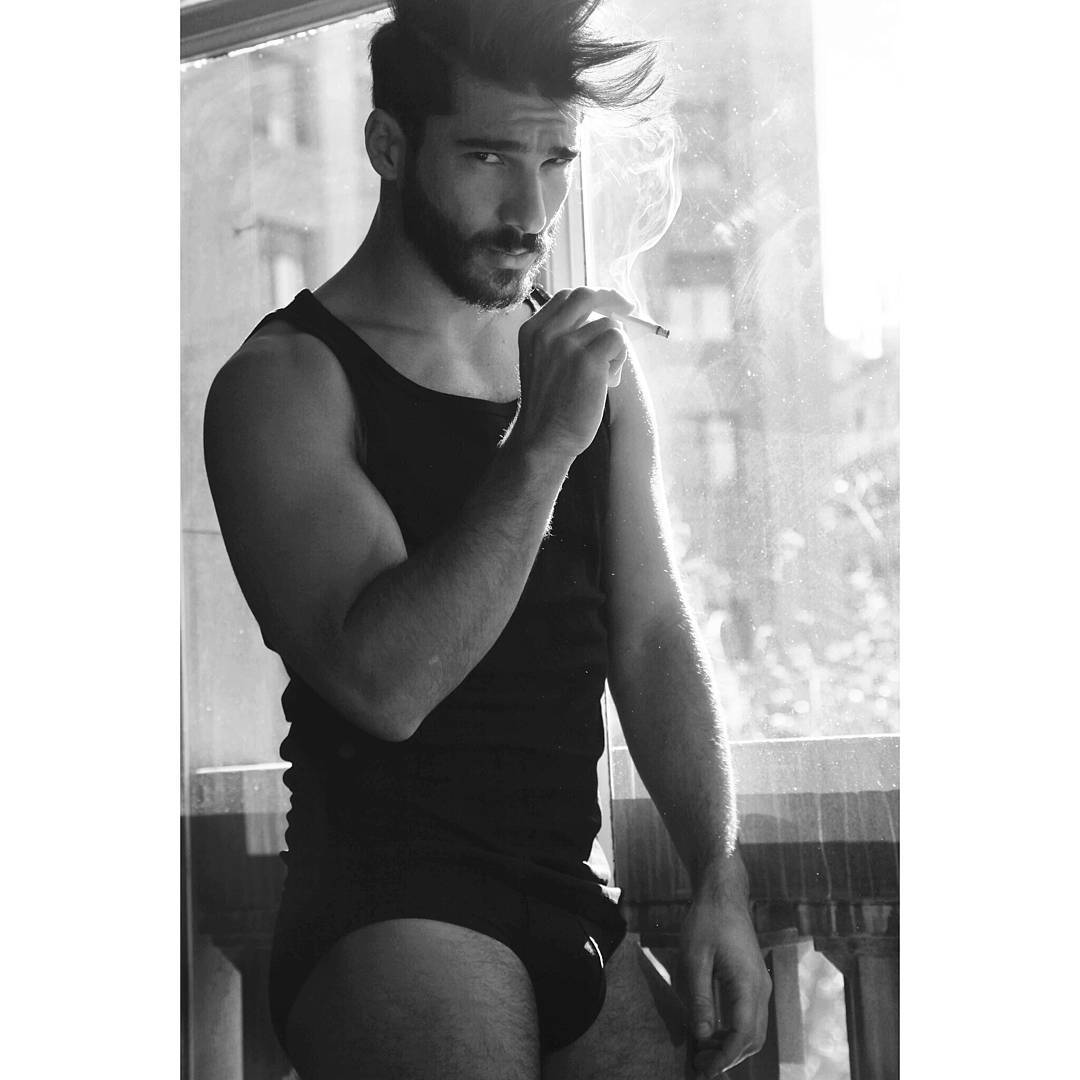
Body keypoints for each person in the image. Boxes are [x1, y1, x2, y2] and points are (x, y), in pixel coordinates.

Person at [203, 1, 771, 1077]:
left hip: (573, 895)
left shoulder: (585, 367)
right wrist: (543, 442)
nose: (530, 209)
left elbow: (652, 633)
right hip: (389, 899)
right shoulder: (284, 381)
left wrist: (719, 877)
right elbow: (384, 685)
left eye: (555, 160)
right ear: (389, 146)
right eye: (486, 157)